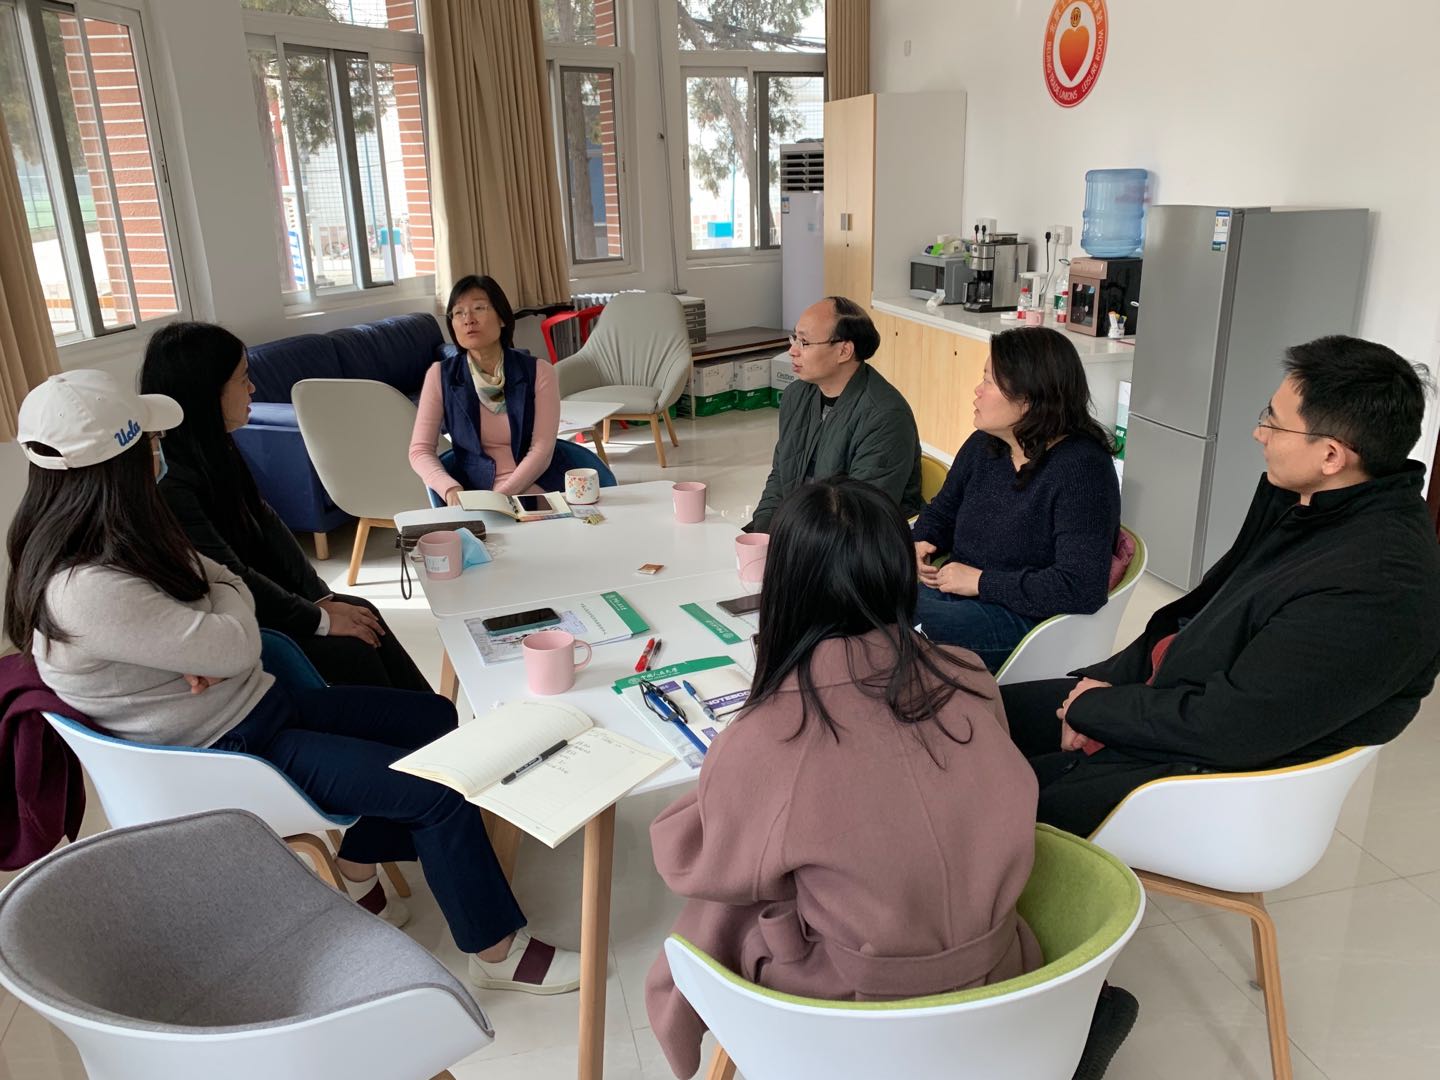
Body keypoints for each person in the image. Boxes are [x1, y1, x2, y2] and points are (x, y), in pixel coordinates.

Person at [5, 370, 582, 996]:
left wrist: (209, 624)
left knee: (434, 720)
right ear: (116, 468)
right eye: (147, 442)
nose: (157, 452)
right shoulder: (88, 587)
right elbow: (237, 630)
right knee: (439, 793)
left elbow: (225, 605)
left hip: (252, 706)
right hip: (227, 750)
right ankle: (496, 952)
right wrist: (215, 617)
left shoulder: (119, 541)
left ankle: (358, 867)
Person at [1002, 336, 1440, 1076]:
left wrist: (1096, 713)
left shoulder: (1379, 581)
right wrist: (1093, 689)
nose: (1257, 433)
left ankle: (1061, 1017)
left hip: (1215, 771)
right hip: (1171, 702)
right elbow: (1188, 619)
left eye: (1273, 421)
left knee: (982, 799)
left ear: (1333, 454)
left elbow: (1230, 728)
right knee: (972, 714)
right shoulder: (1307, 502)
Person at [645, 477, 1041, 1078]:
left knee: (727, 907)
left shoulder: (768, 734)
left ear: (783, 588)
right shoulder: (968, 676)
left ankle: (683, 1034)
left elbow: (697, 864)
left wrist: (699, 803)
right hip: (1007, 984)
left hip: (863, 1020)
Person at [140, 321, 430, 692]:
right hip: (237, 621)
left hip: (263, 599)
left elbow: (266, 521)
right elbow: (230, 576)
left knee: (361, 612)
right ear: (207, 392)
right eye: (243, 379)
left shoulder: (213, 446)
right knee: (353, 646)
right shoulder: (169, 480)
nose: (252, 389)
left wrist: (320, 596)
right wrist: (319, 619)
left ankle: (436, 718)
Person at [911, 327, 1121, 672]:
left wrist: (980, 581)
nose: (977, 391)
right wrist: (922, 539)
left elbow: (1081, 585)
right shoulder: (985, 445)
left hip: (1024, 620)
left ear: (1029, 398)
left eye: (988, 381)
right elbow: (942, 511)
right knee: (857, 595)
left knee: (889, 623)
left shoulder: (1082, 469)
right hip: (955, 596)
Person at [745, 297, 922, 532]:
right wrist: (762, 531)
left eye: (804, 342)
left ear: (844, 351)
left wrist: (784, 541)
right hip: (800, 527)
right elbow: (780, 477)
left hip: (854, 540)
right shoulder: (796, 395)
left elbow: (860, 515)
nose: (792, 351)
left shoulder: (885, 416)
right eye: (794, 338)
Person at [410, 274, 565, 504]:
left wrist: (501, 497)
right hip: (474, 492)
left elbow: (542, 451)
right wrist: (450, 489)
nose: (468, 319)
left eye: (479, 308)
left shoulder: (539, 372)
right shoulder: (440, 375)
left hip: (535, 485)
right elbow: (420, 450)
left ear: (502, 317)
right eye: (459, 312)